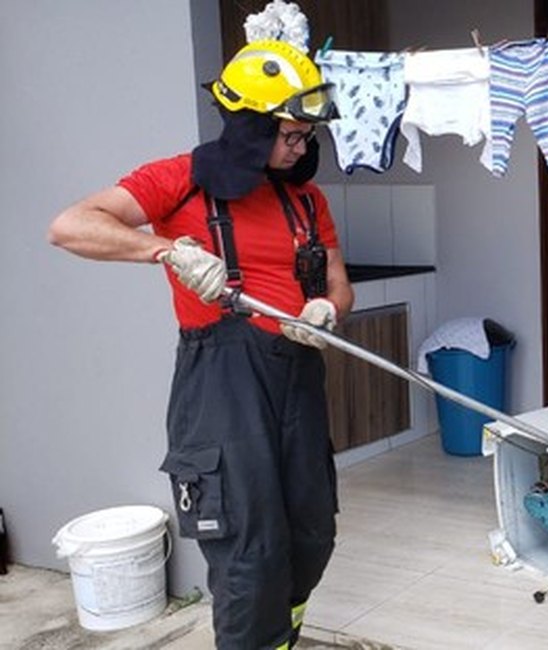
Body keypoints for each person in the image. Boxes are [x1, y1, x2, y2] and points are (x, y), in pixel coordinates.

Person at [48, 39, 353, 649]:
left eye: (304, 135)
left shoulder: (306, 200)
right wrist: (168, 251)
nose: (300, 146)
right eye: (288, 133)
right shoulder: (180, 182)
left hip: (296, 376)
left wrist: (324, 311)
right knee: (249, 547)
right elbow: (71, 226)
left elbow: (340, 287)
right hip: (221, 387)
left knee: (311, 533)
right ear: (248, 126)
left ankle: (281, 640)